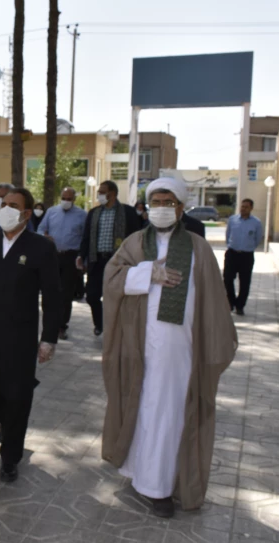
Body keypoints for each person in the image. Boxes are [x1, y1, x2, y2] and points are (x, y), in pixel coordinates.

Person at [101, 177, 237, 518]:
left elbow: (214, 300)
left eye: (169, 202)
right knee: (143, 409)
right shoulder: (134, 243)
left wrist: (213, 345)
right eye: (155, 202)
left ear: (181, 207)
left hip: (180, 351)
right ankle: (143, 477)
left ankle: (160, 486)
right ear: (146, 208)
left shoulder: (198, 247)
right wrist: (148, 273)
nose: (162, 209)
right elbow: (111, 278)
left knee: (169, 414)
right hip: (138, 347)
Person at [0, 187, 62, 483]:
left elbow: (53, 297)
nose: (5, 209)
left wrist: (49, 339)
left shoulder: (41, 248)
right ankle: (9, 423)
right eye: (4, 204)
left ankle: (10, 457)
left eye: (13, 205)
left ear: (27, 214)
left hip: (21, 334)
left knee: (17, 396)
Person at [77, 181, 143, 336]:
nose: (99, 194)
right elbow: (86, 237)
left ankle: (114, 326)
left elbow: (136, 237)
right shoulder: (94, 213)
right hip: (96, 260)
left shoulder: (127, 212)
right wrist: (81, 255)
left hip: (118, 262)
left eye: (102, 191)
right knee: (92, 295)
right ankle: (99, 323)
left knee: (114, 296)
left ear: (112, 194)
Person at [37, 187, 86, 340]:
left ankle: (62, 326)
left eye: (69, 198)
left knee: (66, 293)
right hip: (52, 256)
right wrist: (44, 237)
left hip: (70, 257)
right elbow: (40, 229)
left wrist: (82, 259)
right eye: (64, 198)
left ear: (74, 199)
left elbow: (85, 237)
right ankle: (48, 323)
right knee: (49, 290)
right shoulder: (51, 212)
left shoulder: (82, 215)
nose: (66, 201)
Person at [224, 198, 263, 316]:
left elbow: (258, 239)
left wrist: (248, 247)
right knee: (227, 279)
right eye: (242, 206)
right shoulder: (232, 220)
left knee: (245, 282)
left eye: (246, 207)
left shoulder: (256, 223)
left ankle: (240, 306)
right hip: (232, 253)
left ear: (251, 208)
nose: (243, 209)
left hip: (246, 255)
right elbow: (227, 235)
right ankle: (231, 302)